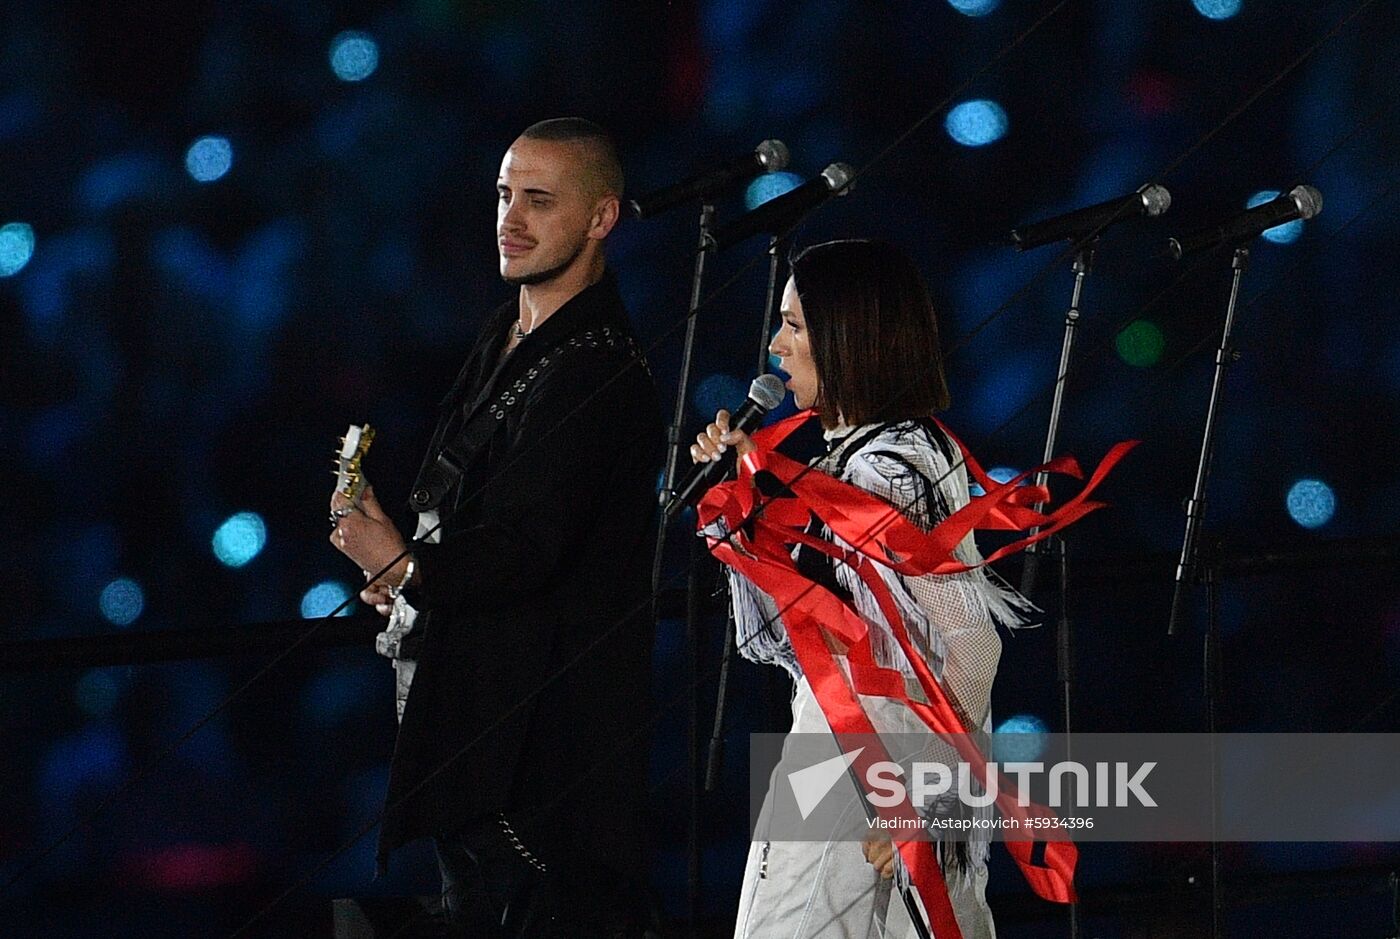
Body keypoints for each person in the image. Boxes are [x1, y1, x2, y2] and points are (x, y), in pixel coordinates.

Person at [330, 117, 662, 937]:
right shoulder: (507, 330)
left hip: (538, 748)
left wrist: (409, 568)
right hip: (475, 716)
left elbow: (527, 548)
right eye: (505, 194)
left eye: (538, 201)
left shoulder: (595, 365)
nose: (510, 218)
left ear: (601, 218)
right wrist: (402, 561)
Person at [691, 240, 1031, 939]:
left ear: (848, 337)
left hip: (876, 759)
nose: (776, 345)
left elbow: (973, 641)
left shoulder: (889, 471)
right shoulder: (868, 455)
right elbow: (776, 642)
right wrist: (741, 505)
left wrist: (928, 802)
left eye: (795, 325)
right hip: (858, 746)